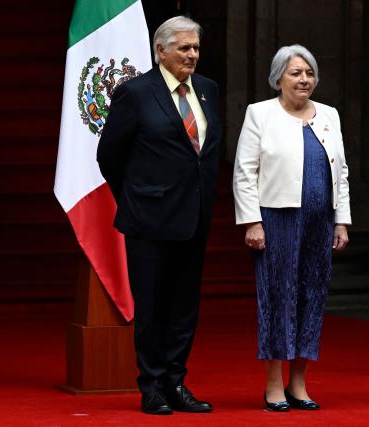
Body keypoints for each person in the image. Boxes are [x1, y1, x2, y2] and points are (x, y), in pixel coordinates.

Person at [97, 16, 221, 415]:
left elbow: (206, 153)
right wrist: (137, 199)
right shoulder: (135, 93)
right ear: (161, 50)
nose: (192, 55)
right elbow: (110, 156)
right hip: (149, 220)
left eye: (196, 48)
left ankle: (176, 381)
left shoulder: (206, 90)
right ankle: (151, 386)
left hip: (195, 217)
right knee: (152, 306)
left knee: (184, 306)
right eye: (184, 48)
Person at [233, 44, 351, 412]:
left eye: (309, 73)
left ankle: (299, 383)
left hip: (320, 221)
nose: (304, 79)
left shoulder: (329, 114)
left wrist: (342, 220)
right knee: (278, 296)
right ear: (278, 78)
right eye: (296, 73)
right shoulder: (260, 114)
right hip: (276, 220)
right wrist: (252, 220)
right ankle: (273, 384)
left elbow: (341, 174)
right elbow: (244, 173)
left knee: (311, 297)